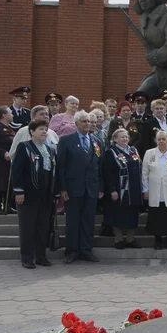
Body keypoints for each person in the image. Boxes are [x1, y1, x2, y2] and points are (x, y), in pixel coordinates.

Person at [57, 111, 104, 264]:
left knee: (88, 221)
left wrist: (100, 187)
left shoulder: (97, 141)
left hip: (91, 187)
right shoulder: (66, 140)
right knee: (73, 221)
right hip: (73, 187)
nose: (87, 124)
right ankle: (71, 251)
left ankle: (86, 250)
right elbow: (61, 166)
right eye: (84, 121)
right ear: (76, 124)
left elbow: (100, 166)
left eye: (89, 122)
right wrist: (62, 188)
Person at [11, 120, 57, 268]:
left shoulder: (49, 150)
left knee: (43, 226)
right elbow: (17, 171)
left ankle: (41, 256)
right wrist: (19, 191)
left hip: (45, 196)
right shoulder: (24, 147)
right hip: (28, 195)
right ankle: (27, 257)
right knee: (28, 227)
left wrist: (54, 192)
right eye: (41, 129)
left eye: (46, 130)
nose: (44, 132)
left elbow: (53, 173)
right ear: (32, 132)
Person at [103, 129, 143, 250]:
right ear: (115, 139)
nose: (125, 139)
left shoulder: (133, 150)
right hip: (119, 189)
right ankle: (119, 239)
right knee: (118, 214)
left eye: (126, 137)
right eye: (122, 137)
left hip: (134, 188)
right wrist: (112, 189)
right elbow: (107, 172)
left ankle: (131, 239)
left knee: (133, 214)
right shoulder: (111, 152)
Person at [142, 130, 167, 250]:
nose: (161, 141)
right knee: (156, 217)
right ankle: (158, 241)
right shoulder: (149, 154)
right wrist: (145, 190)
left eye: (163, 139)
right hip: (155, 191)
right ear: (156, 140)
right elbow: (144, 173)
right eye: (159, 139)